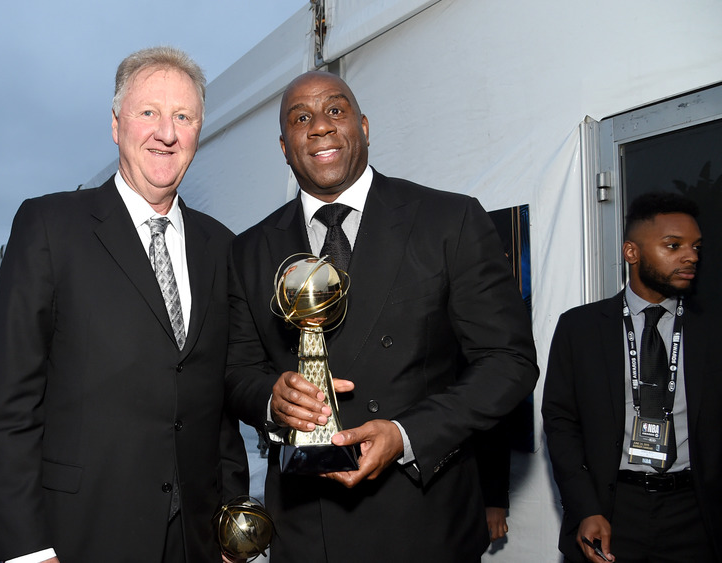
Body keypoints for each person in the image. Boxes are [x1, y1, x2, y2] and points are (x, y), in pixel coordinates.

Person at [224, 71, 538, 561]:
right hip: (307, 529)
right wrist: (271, 398)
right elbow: (237, 371)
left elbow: (508, 362)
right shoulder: (247, 251)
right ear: (284, 147)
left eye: (335, 110)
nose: (320, 127)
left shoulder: (447, 221)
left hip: (424, 518)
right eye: (301, 118)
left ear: (364, 126)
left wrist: (407, 435)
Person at [0, 46, 248, 563]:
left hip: (195, 539)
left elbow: (217, 408)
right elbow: (8, 405)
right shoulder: (49, 227)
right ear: (116, 124)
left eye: (183, 117)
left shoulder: (221, 246)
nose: (165, 132)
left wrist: (231, 524)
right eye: (148, 112)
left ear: (198, 131)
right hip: (78, 535)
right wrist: (28, 548)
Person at [542, 192, 719, 562]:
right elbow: (560, 423)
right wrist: (586, 508)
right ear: (631, 253)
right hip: (612, 510)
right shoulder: (581, 327)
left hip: (696, 512)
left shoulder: (711, 328)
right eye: (674, 245)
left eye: (696, 246)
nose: (691, 256)